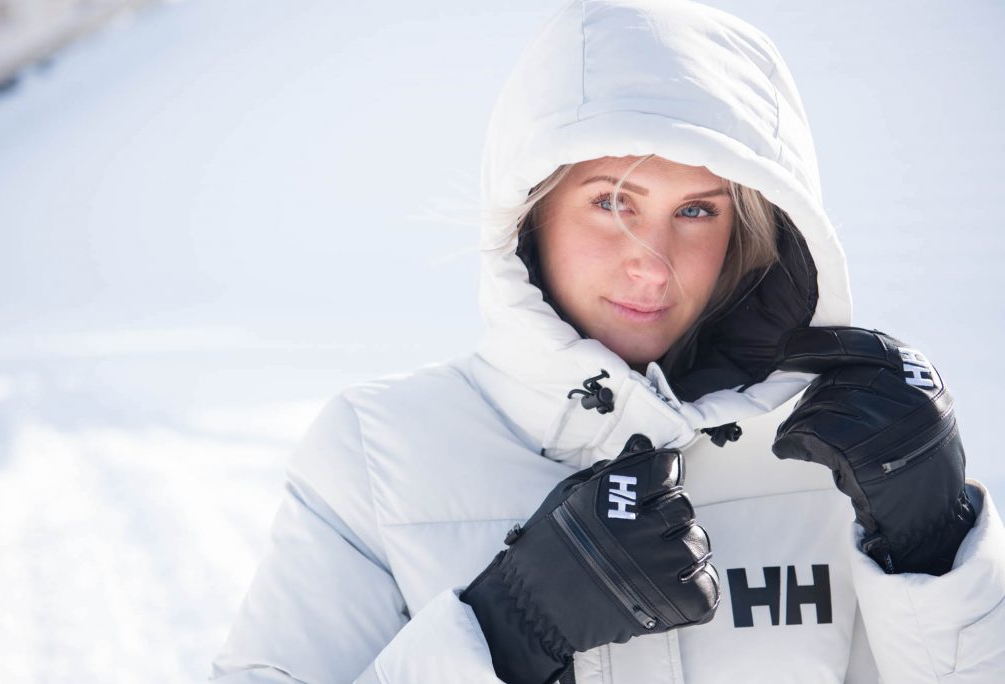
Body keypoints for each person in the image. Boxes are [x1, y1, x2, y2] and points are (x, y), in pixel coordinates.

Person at [210, 1, 1005, 682]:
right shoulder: (380, 454)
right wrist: (507, 630)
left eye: (697, 211)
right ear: (531, 211)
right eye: (611, 202)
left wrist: (935, 549)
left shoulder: (832, 455)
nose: (652, 262)